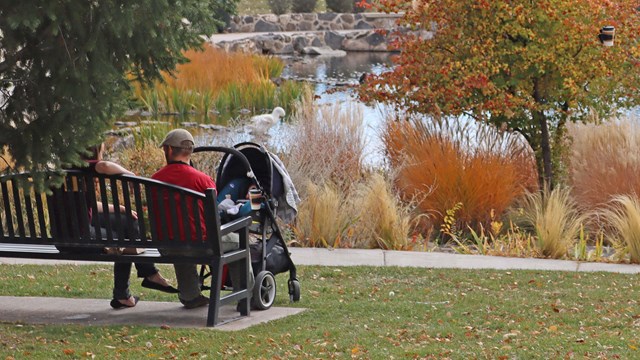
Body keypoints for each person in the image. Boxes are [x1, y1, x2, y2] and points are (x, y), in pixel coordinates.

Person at [60, 143, 178, 309]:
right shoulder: (84, 167)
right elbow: (104, 166)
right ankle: (128, 290)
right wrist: (130, 174)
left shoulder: (62, 171)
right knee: (126, 240)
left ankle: (149, 274)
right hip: (81, 238)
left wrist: (122, 209)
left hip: (63, 236)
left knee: (129, 222)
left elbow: (89, 207)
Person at [151, 129, 254, 309]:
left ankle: (190, 295)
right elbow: (214, 216)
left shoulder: (154, 179)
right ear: (190, 152)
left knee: (180, 238)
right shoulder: (203, 181)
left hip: (166, 246)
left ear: (168, 150)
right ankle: (246, 296)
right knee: (239, 241)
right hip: (202, 246)